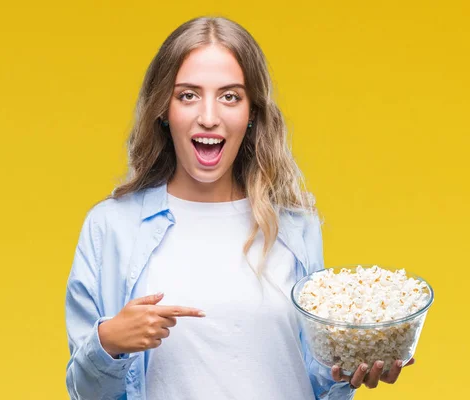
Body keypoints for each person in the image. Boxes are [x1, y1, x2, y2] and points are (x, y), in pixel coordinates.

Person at [64, 16, 414, 400]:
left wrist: (351, 369)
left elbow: (319, 380)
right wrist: (108, 341)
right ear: (164, 109)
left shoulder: (296, 228)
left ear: (252, 114)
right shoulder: (112, 227)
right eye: (188, 95)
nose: (209, 117)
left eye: (230, 96)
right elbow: (85, 392)